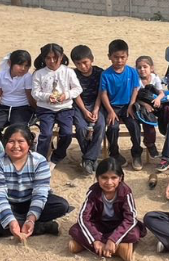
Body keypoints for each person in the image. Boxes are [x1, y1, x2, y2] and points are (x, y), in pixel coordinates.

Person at [0, 125, 72, 241]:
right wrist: (11, 220)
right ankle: (41, 227)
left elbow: (40, 192)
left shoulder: (39, 161)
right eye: (11, 141)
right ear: (4, 143)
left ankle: (3, 230)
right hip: (9, 203)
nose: (16, 146)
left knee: (61, 205)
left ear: (29, 143)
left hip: (31, 200)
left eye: (21, 141)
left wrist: (31, 219)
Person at [69, 157, 146, 261]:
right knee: (75, 230)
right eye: (104, 177)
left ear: (120, 178)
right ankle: (118, 250)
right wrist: (96, 239)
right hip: (99, 226)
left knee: (134, 233)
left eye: (114, 177)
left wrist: (113, 239)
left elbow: (130, 218)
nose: (109, 182)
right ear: (97, 177)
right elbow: (83, 217)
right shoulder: (93, 192)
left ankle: (83, 245)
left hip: (118, 226)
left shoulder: (125, 192)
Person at [31, 43, 80, 163]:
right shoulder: (39, 74)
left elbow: (77, 89)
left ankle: (58, 156)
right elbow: (35, 92)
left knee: (67, 133)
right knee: (46, 134)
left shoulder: (68, 72)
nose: (52, 61)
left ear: (61, 57)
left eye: (55, 58)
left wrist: (66, 95)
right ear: (43, 58)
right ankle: (40, 160)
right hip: (46, 109)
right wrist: (47, 97)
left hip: (65, 108)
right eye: (48, 58)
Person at [100, 39, 144, 171]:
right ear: (109, 57)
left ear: (127, 57)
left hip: (128, 106)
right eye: (116, 57)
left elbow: (135, 89)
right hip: (112, 107)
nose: (119, 60)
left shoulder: (132, 72)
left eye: (122, 57)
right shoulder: (105, 75)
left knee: (134, 126)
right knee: (113, 128)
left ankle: (136, 154)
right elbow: (103, 94)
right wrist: (110, 111)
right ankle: (114, 154)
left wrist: (131, 104)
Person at [71, 45, 106, 175]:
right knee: (80, 127)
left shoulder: (100, 72)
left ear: (91, 59)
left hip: (97, 104)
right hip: (79, 105)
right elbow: (76, 95)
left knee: (101, 125)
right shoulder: (73, 74)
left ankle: (88, 159)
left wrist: (96, 109)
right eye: (78, 64)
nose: (83, 66)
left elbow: (101, 93)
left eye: (85, 62)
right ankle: (91, 158)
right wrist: (85, 111)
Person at [0, 50, 34, 138]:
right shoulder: (1, 76)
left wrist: (35, 111)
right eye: (20, 65)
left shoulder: (27, 77)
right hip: (3, 107)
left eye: (26, 66)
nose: (23, 68)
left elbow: (30, 97)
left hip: (22, 108)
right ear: (10, 63)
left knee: (18, 129)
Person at [135, 56, 169, 160]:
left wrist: (158, 99)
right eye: (139, 67)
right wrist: (145, 105)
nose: (142, 69)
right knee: (147, 117)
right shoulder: (136, 80)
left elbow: (161, 93)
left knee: (168, 109)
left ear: (151, 68)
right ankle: (150, 143)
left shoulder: (154, 77)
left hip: (154, 101)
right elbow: (134, 98)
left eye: (145, 67)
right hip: (142, 104)